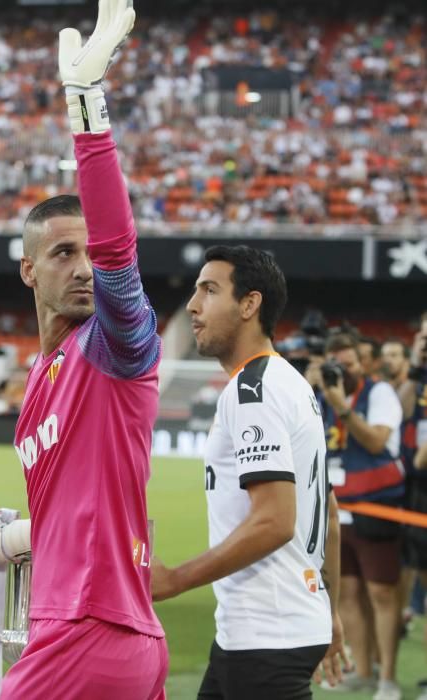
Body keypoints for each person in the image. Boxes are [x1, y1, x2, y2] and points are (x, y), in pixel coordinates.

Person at [0, 3, 168, 699]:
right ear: (29, 272)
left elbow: (118, 255)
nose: (83, 266)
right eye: (62, 253)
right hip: (105, 633)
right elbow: (78, 523)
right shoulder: (41, 382)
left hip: (90, 630)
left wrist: (87, 110)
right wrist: (6, 540)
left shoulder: (117, 349)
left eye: (88, 251)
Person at [151, 245, 346, 699]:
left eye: (209, 290)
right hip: (262, 631)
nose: (193, 305)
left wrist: (176, 578)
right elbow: (329, 514)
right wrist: (327, 611)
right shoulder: (291, 384)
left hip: (266, 638)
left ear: (249, 304)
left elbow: (274, 521)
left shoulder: (253, 391)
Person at [319, 333, 404, 700]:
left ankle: (388, 678)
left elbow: (375, 442)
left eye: (349, 364)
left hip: (377, 505)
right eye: (336, 365)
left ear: (362, 363)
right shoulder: (318, 393)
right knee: (348, 594)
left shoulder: (379, 392)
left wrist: (341, 404)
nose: (343, 372)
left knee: (382, 594)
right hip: (339, 508)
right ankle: (365, 671)